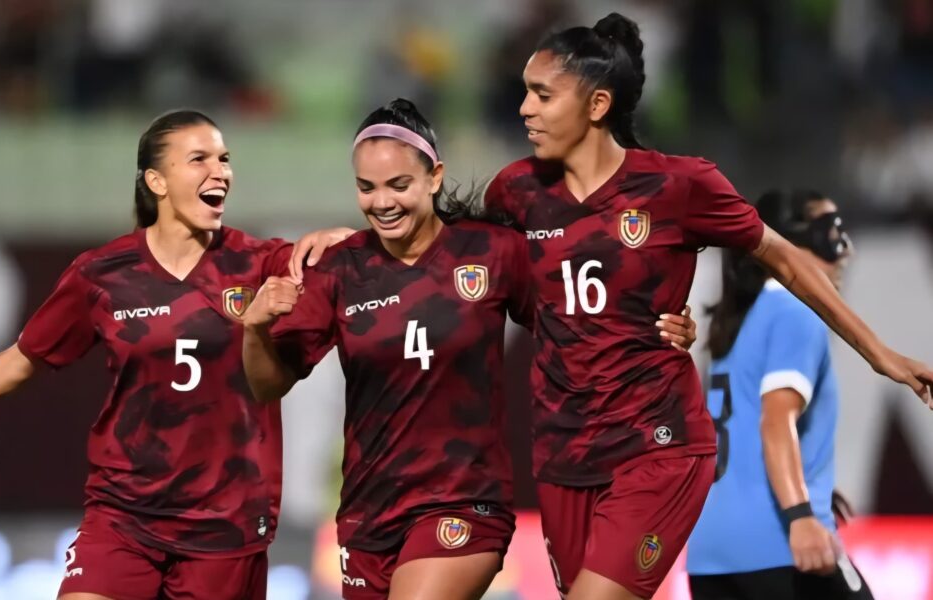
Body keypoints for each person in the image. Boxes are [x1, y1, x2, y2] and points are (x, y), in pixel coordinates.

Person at [290, 13, 931, 600]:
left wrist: (879, 353)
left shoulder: (680, 186)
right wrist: (357, 239)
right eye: (525, 91)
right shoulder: (518, 191)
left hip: (656, 443)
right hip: (565, 455)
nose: (524, 108)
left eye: (543, 94)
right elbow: (442, 242)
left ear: (596, 105)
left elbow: (785, 257)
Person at [0, 110, 348, 600]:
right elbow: (19, 361)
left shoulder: (260, 261)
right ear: (157, 180)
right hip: (125, 515)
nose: (219, 171)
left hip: (225, 526)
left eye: (224, 159)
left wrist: (340, 238)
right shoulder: (102, 274)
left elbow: (349, 258)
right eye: (198, 159)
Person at [241, 99, 698, 600]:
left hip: (463, 502)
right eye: (366, 188)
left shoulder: (493, 251)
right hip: (368, 514)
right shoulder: (339, 269)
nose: (382, 202)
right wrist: (256, 330)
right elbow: (267, 384)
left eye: (399, 185)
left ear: (435, 177)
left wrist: (664, 320)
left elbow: (582, 307)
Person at [686, 190, 874, 599]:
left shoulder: (736, 320)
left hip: (709, 551)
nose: (847, 250)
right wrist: (800, 512)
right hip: (776, 541)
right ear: (791, 241)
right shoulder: (796, 310)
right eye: (832, 232)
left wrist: (808, 480)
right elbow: (774, 421)